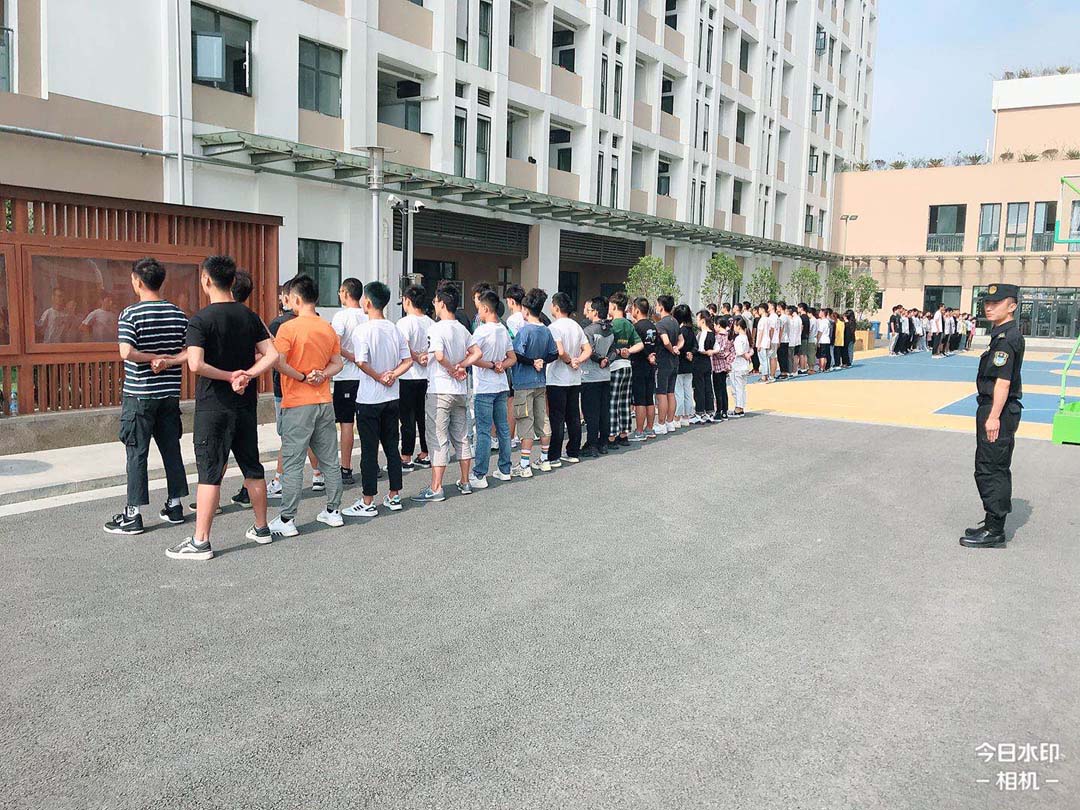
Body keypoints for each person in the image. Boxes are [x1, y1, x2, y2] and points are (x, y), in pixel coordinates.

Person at [166, 256, 278, 561]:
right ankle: (262, 527)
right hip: (245, 405)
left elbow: (195, 364)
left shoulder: (200, 320)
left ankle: (200, 541)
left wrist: (230, 376)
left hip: (213, 407)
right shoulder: (250, 316)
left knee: (210, 472)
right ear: (231, 281)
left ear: (206, 280)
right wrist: (247, 375)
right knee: (252, 466)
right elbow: (273, 354)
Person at [104, 259, 189, 535]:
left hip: (139, 395)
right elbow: (191, 352)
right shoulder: (179, 314)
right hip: (169, 395)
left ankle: (133, 514)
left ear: (138, 281)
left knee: (137, 453)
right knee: (171, 449)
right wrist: (168, 360)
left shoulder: (130, 314)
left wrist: (153, 358)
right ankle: (175, 506)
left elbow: (126, 352)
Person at [267, 274, 345, 537]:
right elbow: (338, 363)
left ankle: (287, 519)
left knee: (293, 462)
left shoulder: (288, 328)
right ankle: (333, 511)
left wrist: (301, 376)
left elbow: (278, 362)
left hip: (297, 403)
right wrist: (321, 374)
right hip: (323, 400)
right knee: (329, 460)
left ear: (296, 299)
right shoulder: (327, 328)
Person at [340, 280, 412, 517]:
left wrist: (379, 376)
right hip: (392, 397)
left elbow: (361, 361)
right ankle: (394, 495)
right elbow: (408, 361)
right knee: (391, 446)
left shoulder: (363, 331)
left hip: (369, 399)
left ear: (368, 302)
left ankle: (368, 501)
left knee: (369, 451)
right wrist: (392, 375)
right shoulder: (394, 328)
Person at [962, 284, 1025, 548]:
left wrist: (994, 416)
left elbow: (1003, 382)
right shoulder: (1001, 335)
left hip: (997, 409)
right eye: (987, 303)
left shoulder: (1007, 339)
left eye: (996, 303)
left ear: (1012, 306)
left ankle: (994, 530)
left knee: (991, 468)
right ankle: (992, 521)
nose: (989, 307)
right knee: (990, 465)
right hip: (994, 408)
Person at [412, 285, 477, 502]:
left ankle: (436, 487)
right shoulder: (462, 329)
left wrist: (451, 369)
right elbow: (477, 352)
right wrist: (462, 366)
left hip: (440, 390)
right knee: (462, 436)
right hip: (460, 391)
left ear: (441, 303)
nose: (434, 305)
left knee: (437, 438)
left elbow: (439, 356)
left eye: (435, 301)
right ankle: (465, 481)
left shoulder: (436, 328)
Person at [466, 289, 516, 488]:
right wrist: (501, 365)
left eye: (479, 309)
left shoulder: (481, 331)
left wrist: (491, 365)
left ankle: (480, 474)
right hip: (501, 385)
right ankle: (505, 469)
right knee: (503, 429)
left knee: (484, 432)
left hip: (485, 387)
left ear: (486, 309)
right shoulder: (503, 329)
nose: (478, 312)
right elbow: (512, 358)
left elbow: (473, 357)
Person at [509, 288, 557, 476]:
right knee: (543, 419)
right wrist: (541, 361)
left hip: (523, 382)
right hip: (540, 382)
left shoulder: (524, 331)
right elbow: (554, 353)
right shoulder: (546, 330)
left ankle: (524, 464)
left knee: (525, 422)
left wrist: (532, 362)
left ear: (526, 310)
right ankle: (544, 459)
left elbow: (516, 354)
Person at [546, 292, 591, 465]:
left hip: (557, 378)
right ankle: (573, 451)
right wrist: (578, 360)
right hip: (574, 379)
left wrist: (569, 361)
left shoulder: (554, 327)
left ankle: (554, 455)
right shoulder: (576, 326)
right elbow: (588, 349)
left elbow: (560, 351)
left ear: (557, 307)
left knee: (557, 418)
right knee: (573, 416)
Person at [331, 278, 368, 486]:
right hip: (367, 376)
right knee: (367, 423)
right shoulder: (368, 315)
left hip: (346, 377)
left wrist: (352, 357)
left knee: (346, 424)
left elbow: (334, 345)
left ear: (345, 293)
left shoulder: (341, 316)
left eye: (340, 291)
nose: (339, 295)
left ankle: (346, 468)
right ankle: (370, 465)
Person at [396, 284, 433, 471]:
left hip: (407, 375)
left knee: (407, 418)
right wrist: (424, 356)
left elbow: (403, 346)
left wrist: (416, 357)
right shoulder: (431, 323)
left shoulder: (404, 323)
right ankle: (426, 453)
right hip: (426, 376)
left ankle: (406, 456)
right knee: (423, 417)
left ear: (407, 301)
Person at [581, 296, 616, 457]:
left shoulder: (589, 330)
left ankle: (592, 444)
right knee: (604, 411)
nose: (587, 313)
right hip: (605, 375)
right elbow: (614, 350)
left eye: (589, 310)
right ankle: (603, 443)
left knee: (591, 412)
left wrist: (600, 359)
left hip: (590, 376)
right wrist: (607, 359)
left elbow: (589, 350)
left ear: (595, 312)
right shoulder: (609, 329)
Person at [607, 291, 643, 448]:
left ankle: (611, 436)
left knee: (612, 402)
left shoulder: (611, 325)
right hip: (627, 366)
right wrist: (628, 350)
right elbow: (640, 344)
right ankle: (624, 434)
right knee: (625, 401)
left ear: (614, 306)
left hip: (614, 366)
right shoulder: (629, 324)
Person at [630, 297, 658, 441]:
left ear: (637, 309)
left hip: (639, 365)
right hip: (651, 366)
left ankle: (639, 431)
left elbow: (638, 346)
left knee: (639, 400)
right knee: (649, 399)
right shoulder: (653, 326)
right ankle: (650, 428)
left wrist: (646, 355)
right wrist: (652, 356)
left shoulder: (636, 327)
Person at [653, 295, 682, 434]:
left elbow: (665, 341)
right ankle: (670, 422)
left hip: (663, 362)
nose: (656, 307)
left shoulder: (660, 324)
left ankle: (661, 423)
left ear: (661, 307)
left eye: (657, 304)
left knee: (661, 393)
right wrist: (676, 348)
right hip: (674, 362)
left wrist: (671, 349)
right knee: (671, 392)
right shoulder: (675, 321)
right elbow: (681, 340)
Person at [690, 310, 716, 422]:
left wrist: (693, 352)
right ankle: (710, 411)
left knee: (699, 387)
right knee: (708, 386)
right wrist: (711, 351)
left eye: (698, 319)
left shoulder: (703, 333)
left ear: (703, 320)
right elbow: (717, 348)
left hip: (699, 362)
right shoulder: (712, 333)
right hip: (707, 363)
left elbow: (700, 349)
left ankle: (700, 412)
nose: (697, 322)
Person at [673, 304, 696, 426]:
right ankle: (686, 416)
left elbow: (678, 347)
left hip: (679, 364)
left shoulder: (679, 331)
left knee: (678, 392)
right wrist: (691, 353)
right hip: (689, 365)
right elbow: (695, 346)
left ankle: (677, 417)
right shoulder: (691, 330)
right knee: (688, 391)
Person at [711, 316, 735, 419]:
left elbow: (719, 351)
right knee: (723, 388)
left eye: (715, 325)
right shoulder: (729, 336)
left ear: (719, 325)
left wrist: (716, 353)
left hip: (717, 365)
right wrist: (728, 360)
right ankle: (724, 411)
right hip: (725, 366)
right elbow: (732, 352)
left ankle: (718, 411)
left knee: (717, 389)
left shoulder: (718, 337)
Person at [729, 317, 752, 417]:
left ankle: (738, 408)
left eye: (734, 326)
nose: (733, 328)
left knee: (736, 388)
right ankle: (741, 407)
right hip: (744, 366)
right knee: (742, 387)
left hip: (737, 366)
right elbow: (749, 350)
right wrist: (748, 355)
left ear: (738, 326)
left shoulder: (738, 338)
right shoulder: (746, 337)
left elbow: (739, 352)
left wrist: (745, 355)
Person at [755, 304, 773, 383]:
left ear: (762, 310)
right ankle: (766, 375)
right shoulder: (768, 319)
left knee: (763, 360)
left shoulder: (762, 320)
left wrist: (758, 344)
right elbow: (770, 330)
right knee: (766, 359)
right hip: (767, 341)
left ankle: (764, 376)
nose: (758, 311)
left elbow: (761, 332)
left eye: (759, 309)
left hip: (762, 342)